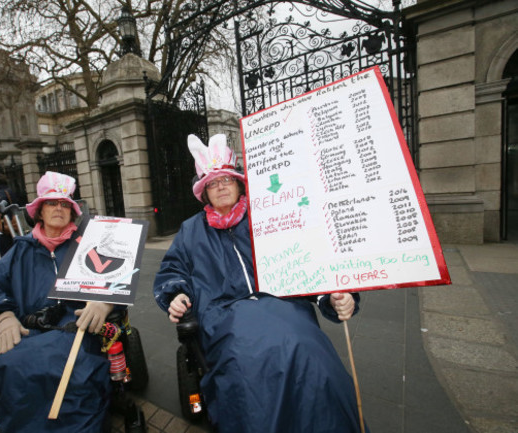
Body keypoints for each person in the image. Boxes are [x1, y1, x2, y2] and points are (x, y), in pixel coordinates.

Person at [154, 134, 369, 433]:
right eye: (213, 184)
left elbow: (306, 258)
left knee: (311, 353)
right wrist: (175, 293)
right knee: (248, 364)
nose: (221, 187)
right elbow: (172, 269)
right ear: (205, 193)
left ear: (239, 184)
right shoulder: (191, 230)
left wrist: (331, 298)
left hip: (283, 304)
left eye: (226, 180)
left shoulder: (268, 215)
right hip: (224, 313)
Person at [0, 171, 116, 433]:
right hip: (27, 331)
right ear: (39, 211)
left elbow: (119, 278)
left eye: (64, 204)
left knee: (78, 375)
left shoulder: (90, 244)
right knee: (7, 367)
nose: (58, 208)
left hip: (79, 329)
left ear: (72, 212)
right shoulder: (19, 250)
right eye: (51, 203)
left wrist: (104, 301)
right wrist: (3, 317)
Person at [0, 173, 17, 257]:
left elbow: (1, 207)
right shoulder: (9, 190)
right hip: (12, 225)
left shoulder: (1, 193)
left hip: (6, 227)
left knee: (5, 253)